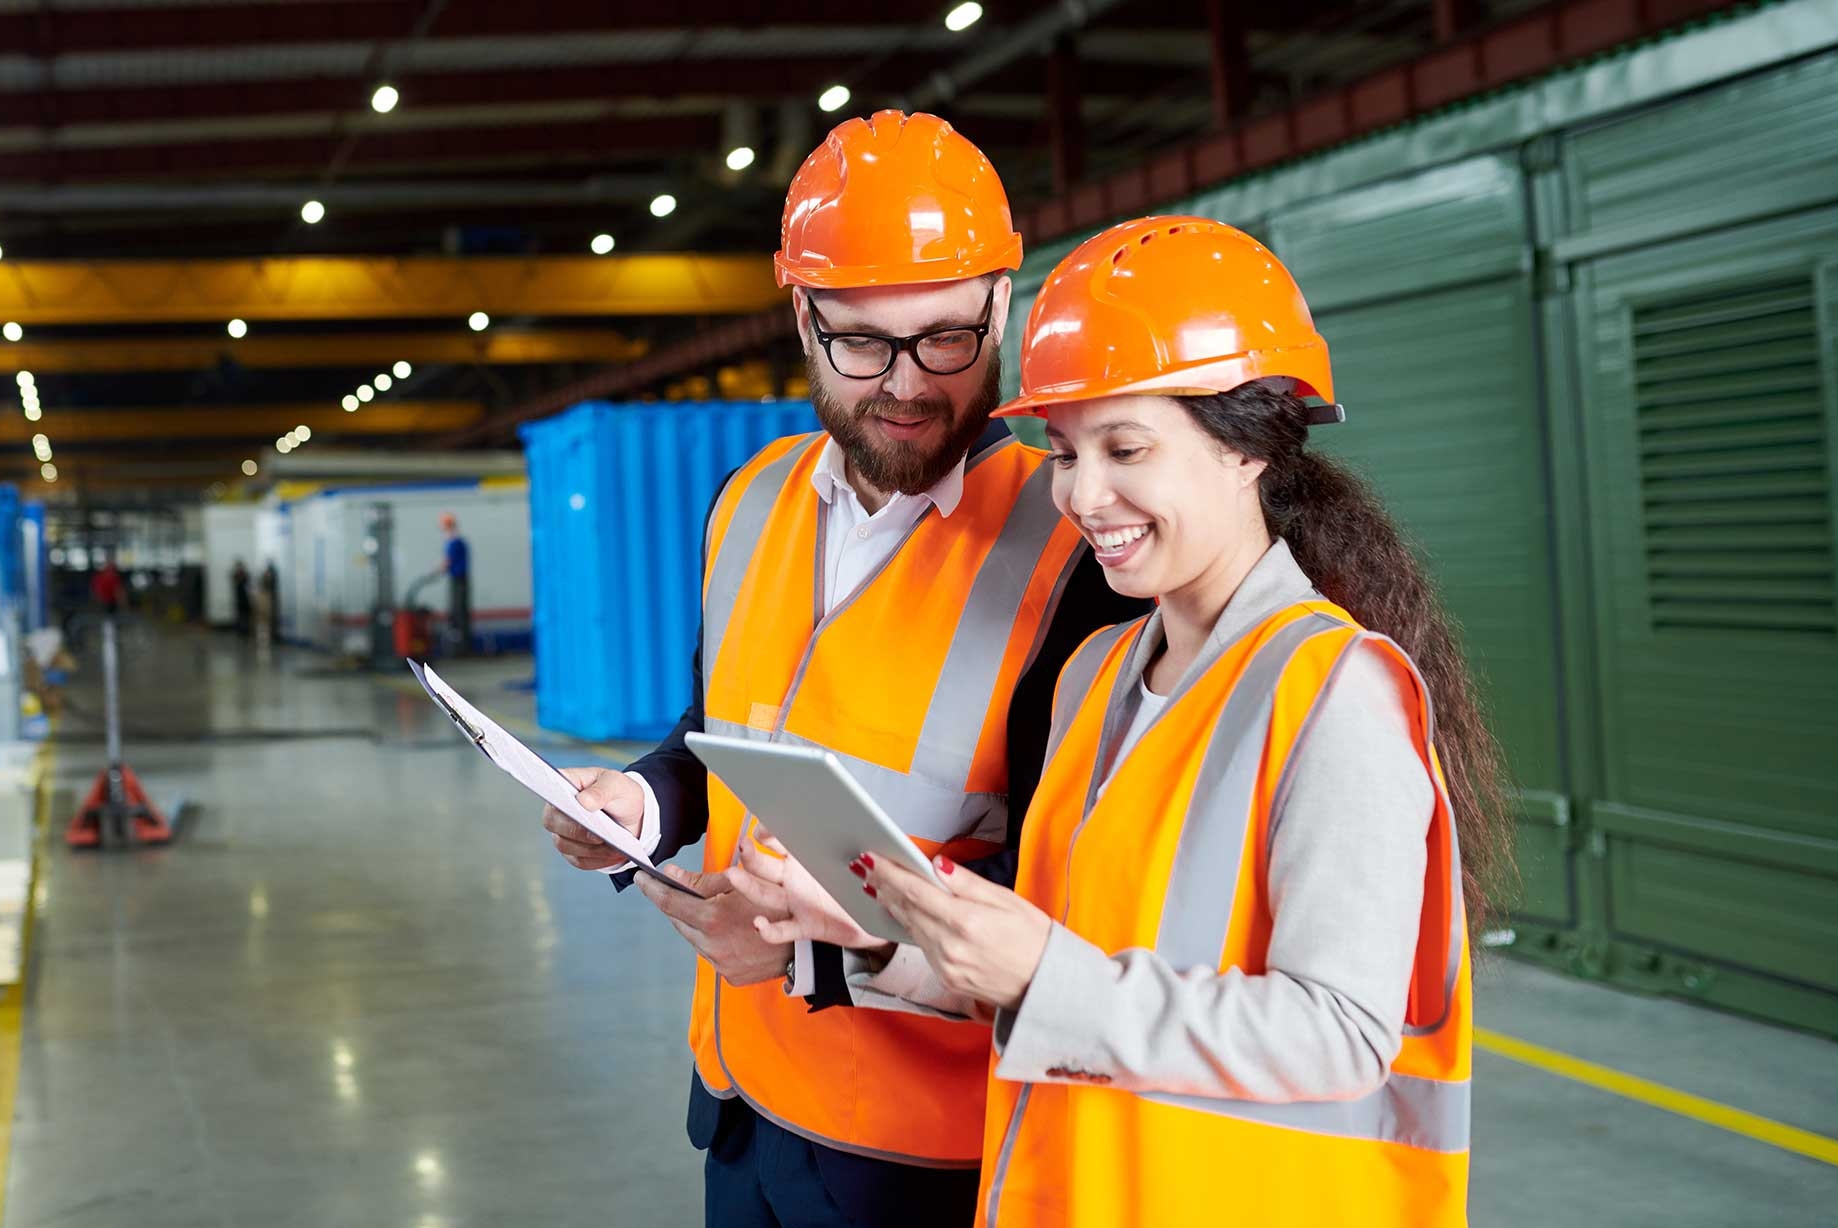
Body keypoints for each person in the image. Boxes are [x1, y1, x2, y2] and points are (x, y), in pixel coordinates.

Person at [745, 217, 1514, 1226]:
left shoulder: (1336, 695)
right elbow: (1065, 971)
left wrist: (1044, 972)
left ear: (1247, 449)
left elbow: (1339, 1035)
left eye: (1126, 449)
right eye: (1064, 452)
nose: (1083, 494)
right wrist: (880, 943)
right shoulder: (1094, 674)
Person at [538, 111, 1144, 1228]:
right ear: (802, 319)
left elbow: (1075, 907)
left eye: (945, 339)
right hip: (740, 1104)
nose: (906, 385)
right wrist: (644, 802)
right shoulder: (749, 501)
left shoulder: (1080, 557)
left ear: (1001, 303)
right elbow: (720, 730)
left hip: (925, 1153)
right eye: (861, 343)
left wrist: (813, 955)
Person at [439, 513, 471, 656]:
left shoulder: (455, 542)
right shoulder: (453, 541)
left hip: (459, 580)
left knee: (459, 612)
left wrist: (439, 569)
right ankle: (459, 644)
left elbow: (448, 561)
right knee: (456, 612)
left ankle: (462, 646)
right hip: (456, 578)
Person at [230, 558, 252, 638]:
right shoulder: (236, 575)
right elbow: (234, 581)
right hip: (239, 599)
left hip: (245, 599)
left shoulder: (245, 575)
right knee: (239, 615)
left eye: (240, 567)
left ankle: (246, 630)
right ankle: (240, 630)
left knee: (245, 615)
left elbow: (248, 585)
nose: (239, 568)